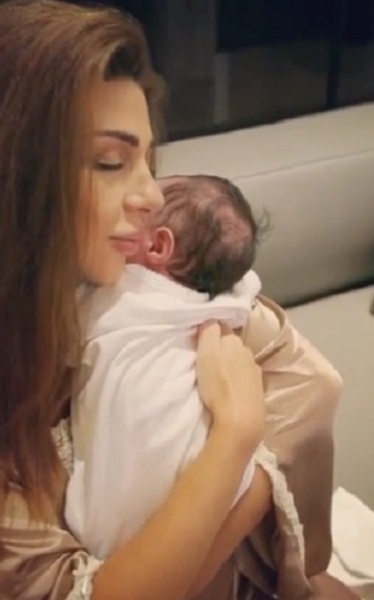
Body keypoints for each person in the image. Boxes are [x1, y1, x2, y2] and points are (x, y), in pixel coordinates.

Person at [0, 1, 357, 598]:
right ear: (0, 183)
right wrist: (236, 437)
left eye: (146, 159)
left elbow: (312, 386)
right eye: (111, 161)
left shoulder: (135, 280)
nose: (152, 195)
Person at [66, 175, 266, 559]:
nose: (142, 191)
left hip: (119, 535)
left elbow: (62, 335)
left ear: (158, 246)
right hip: (216, 498)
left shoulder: (121, 294)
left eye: (149, 204)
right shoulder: (224, 303)